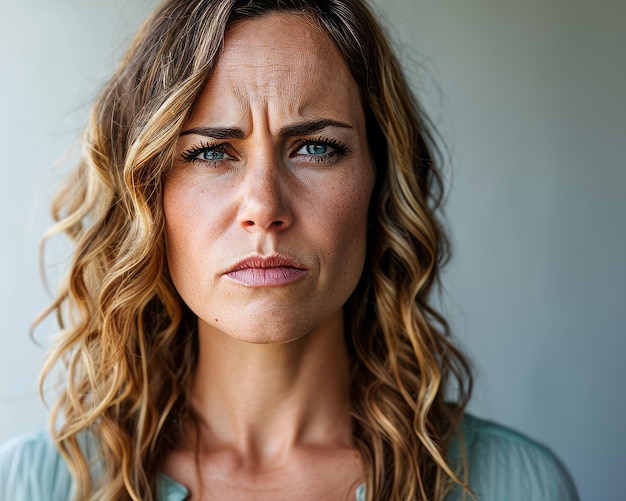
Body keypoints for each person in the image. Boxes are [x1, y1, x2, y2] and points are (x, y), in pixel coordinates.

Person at [0, 0, 579, 500]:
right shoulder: (29, 484)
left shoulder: (515, 485)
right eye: (209, 152)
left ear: (381, 181)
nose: (264, 205)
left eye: (317, 148)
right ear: (146, 194)